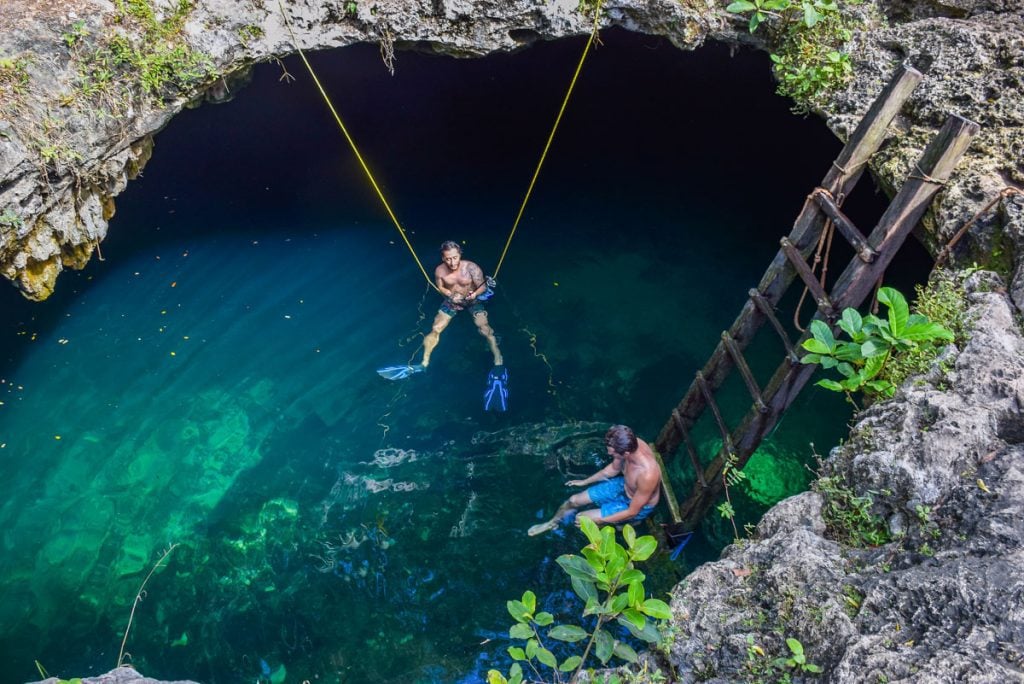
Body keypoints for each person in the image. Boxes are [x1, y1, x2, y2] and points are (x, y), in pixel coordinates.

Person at [528, 425, 661, 536]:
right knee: (573, 500)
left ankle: (625, 523)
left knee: (581, 519)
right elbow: (613, 470)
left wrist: (600, 520)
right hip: (624, 485)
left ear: (625, 454)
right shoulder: (628, 444)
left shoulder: (647, 474)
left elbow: (633, 511)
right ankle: (552, 523)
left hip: (636, 505)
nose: (609, 454)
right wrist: (585, 481)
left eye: (613, 453)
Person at [421, 241, 503, 369]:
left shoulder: (471, 267)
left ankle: (497, 357)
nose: (452, 263)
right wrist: (449, 294)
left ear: (460, 255)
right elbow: (440, 287)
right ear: (443, 258)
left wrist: (475, 294)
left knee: (484, 328)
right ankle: (424, 362)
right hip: (453, 301)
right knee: (436, 328)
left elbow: (482, 287)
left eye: (455, 258)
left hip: (473, 301)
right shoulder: (439, 271)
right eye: (448, 259)